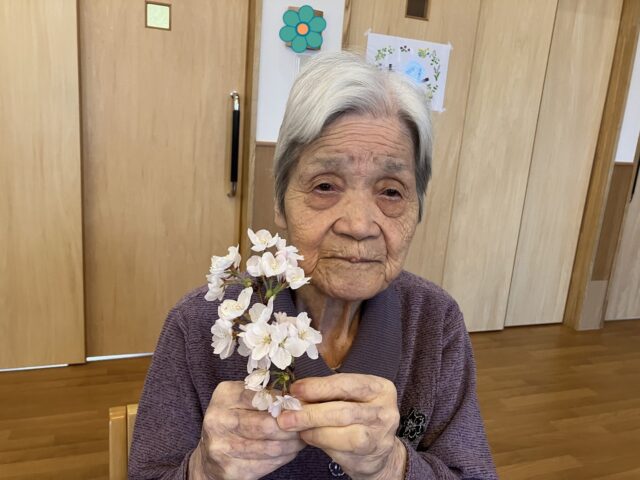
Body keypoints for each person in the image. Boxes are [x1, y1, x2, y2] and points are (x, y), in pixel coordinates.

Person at [129, 51, 497, 480]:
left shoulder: (434, 321)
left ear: (418, 209)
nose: (359, 225)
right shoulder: (201, 324)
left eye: (391, 192)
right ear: (280, 204)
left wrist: (395, 464)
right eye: (325, 186)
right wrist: (203, 470)